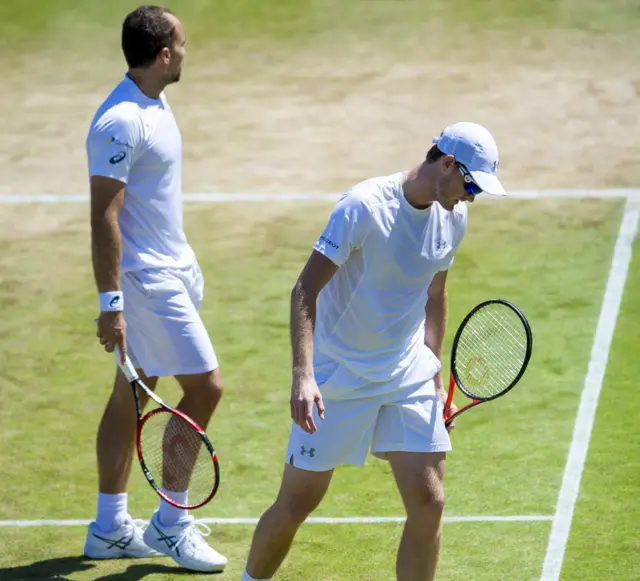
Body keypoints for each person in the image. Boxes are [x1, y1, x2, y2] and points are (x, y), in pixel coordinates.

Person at [241, 122, 507, 581]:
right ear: (446, 163)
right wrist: (303, 375)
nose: (472, 197)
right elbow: (305, 289)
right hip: (339, 376)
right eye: (470, 184)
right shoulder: (364, 206)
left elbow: (434, 294)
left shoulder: (454, 216)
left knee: (430, 502)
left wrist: (435, 369)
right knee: (296, 504)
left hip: (407, 373)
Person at [82, 5, 227, 573]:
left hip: (173, 270)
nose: (188, 53)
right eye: (183, 45)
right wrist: (111, 305)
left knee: (134, 392)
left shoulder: (153, 100)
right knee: (206, 387)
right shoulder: (121, 121)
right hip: (146, 282)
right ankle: (171, 522)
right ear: (164, 54)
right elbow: (103, 217)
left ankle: (110, 527)